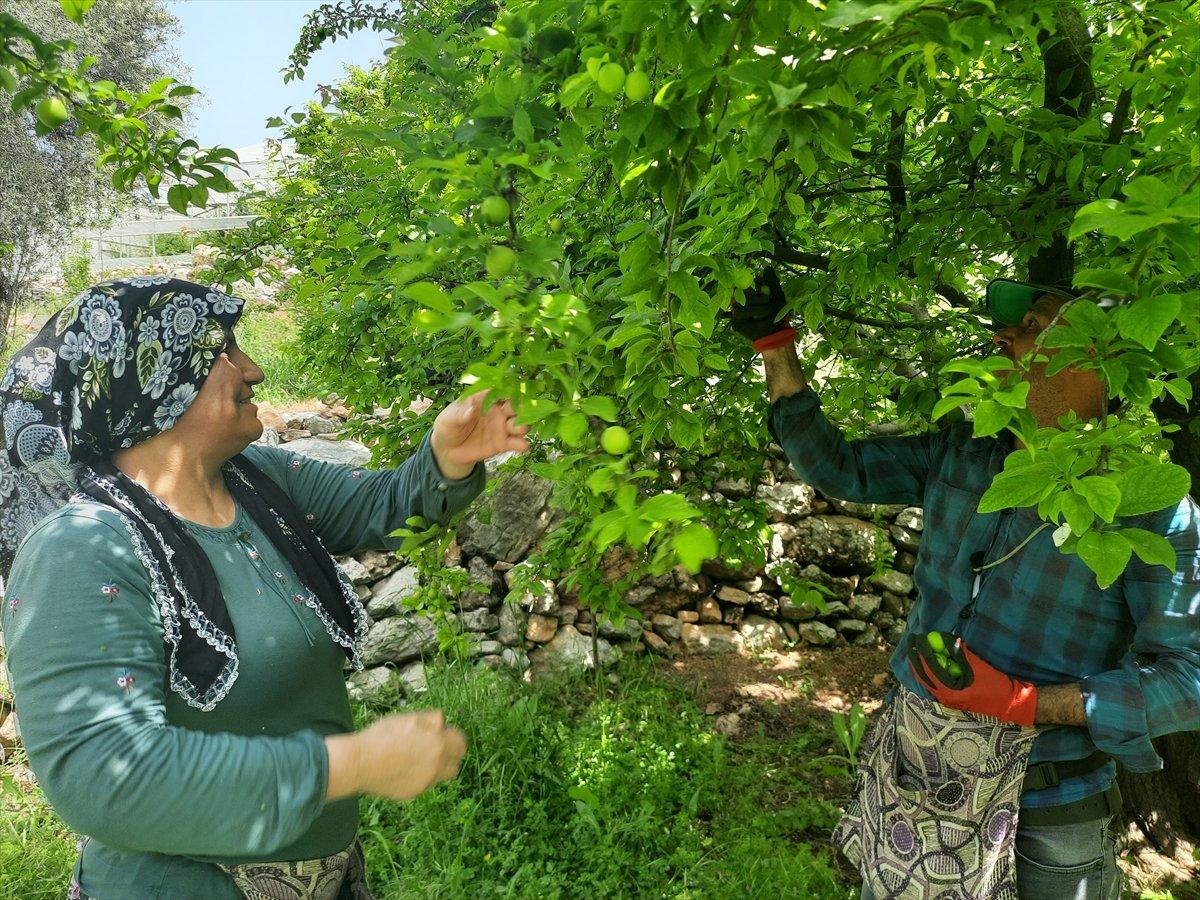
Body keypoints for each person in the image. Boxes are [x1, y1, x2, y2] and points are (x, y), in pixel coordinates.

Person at [0, 277, 530, 899]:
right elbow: (105, 779)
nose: (251, 368)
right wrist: (351, 764)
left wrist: (445, 457)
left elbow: (384, 506)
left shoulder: (257, 482)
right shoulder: (84, 551)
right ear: (155, 384)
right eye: (221, 352)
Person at [731, 272, 1200, 897]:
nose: (1005, 336)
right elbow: (837, 466)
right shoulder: (965, 450)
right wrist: (775, 345)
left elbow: (1189, 678)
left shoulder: (1150, 508)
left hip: (1048, 809)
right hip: (918, 773)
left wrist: (1025, 702)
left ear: (1101, 355)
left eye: (1034, 327)